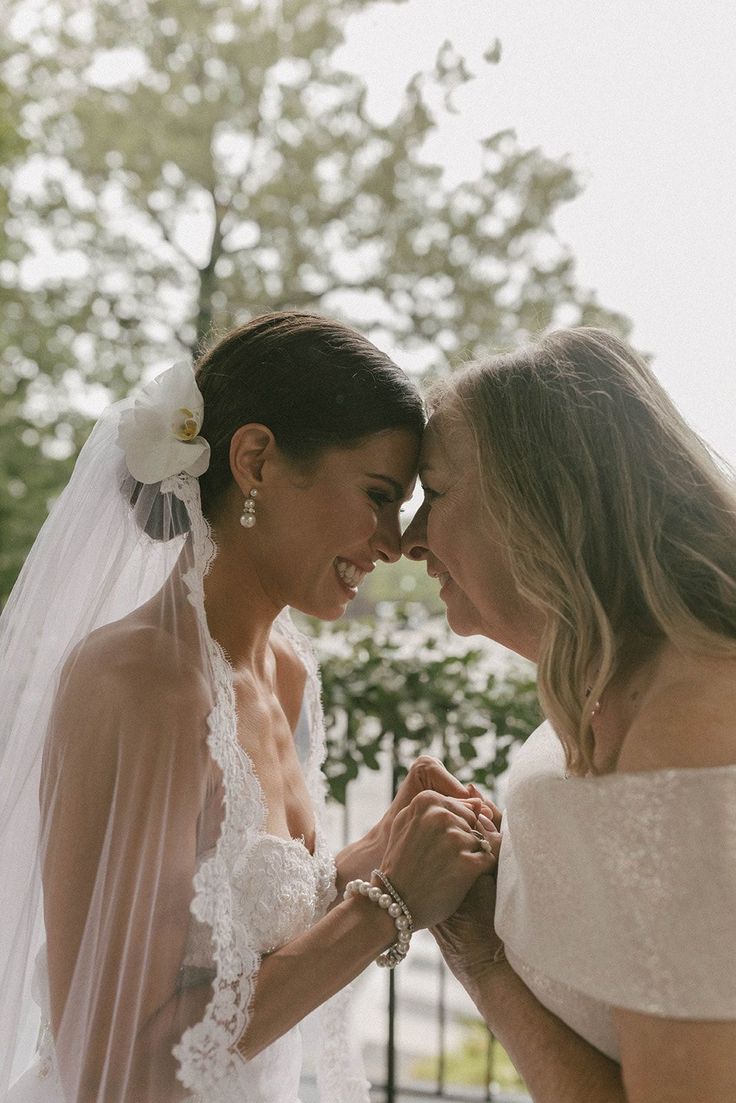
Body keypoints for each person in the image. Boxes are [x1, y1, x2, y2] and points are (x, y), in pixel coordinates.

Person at [0, 311, 499, 1103]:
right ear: (257, 459)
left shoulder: (291, 671)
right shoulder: (136, 684)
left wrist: (381, 854)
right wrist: (386, 907)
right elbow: (112, 1067)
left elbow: (233, 949)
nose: (397, 541)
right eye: (377, 494)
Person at [401, 326, 736, 1102]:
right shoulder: (631, 681)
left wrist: (480, 954)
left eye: (437, 491)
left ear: (544, 498)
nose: (409, 537)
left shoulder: (691, 723)